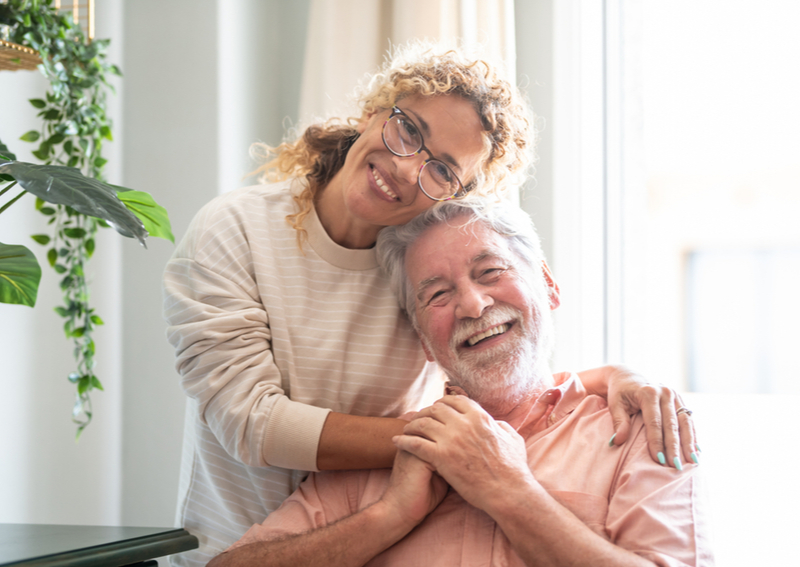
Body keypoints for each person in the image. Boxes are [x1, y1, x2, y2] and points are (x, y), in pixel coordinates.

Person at [163, 42, 697, 566]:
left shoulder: (416, 263)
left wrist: (611, 376)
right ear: (374, 112)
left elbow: (495, 349)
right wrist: (462, 451)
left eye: (441, 168)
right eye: (408, 130)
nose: (404, 166)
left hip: (392, 497)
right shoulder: (235, 230)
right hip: (254, 533)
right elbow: (255, 423)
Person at [209, 199, 712, 567]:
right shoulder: (384, 455)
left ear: (549, 285)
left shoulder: (640, 430)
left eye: (490, 271)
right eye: (438, 295)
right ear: (424, 340)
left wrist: (507, 490)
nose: (473, 305)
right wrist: (386, 518)